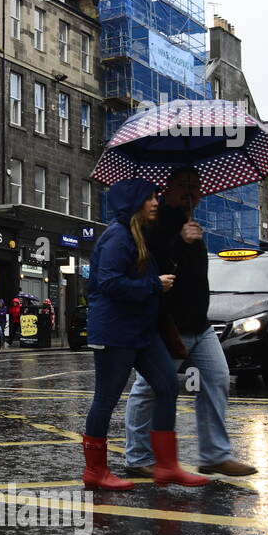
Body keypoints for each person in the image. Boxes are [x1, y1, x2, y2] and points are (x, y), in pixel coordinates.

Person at [124, 167, 255, 477]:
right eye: (184, 185)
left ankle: (214, 454)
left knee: (217, 378)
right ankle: (138, 457)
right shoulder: (156, 223)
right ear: (167, 189)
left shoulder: (191, 220)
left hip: (200, 323)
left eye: (195, 186)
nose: (191, 192)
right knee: (149, 389)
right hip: (170, 325)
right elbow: (152, 263)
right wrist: (181, 241)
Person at [82, 179, 209, 490]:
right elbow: (108, 284)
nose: (155, 203)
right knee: (106, 399)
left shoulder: (139, 234)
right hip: (114, 332)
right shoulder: (116, 238)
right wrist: (154, 285)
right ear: (134, 202)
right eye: (149, 198)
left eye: (155, 196)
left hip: (142, 331)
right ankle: (95, 471)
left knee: (167, 385)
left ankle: (166, 466)